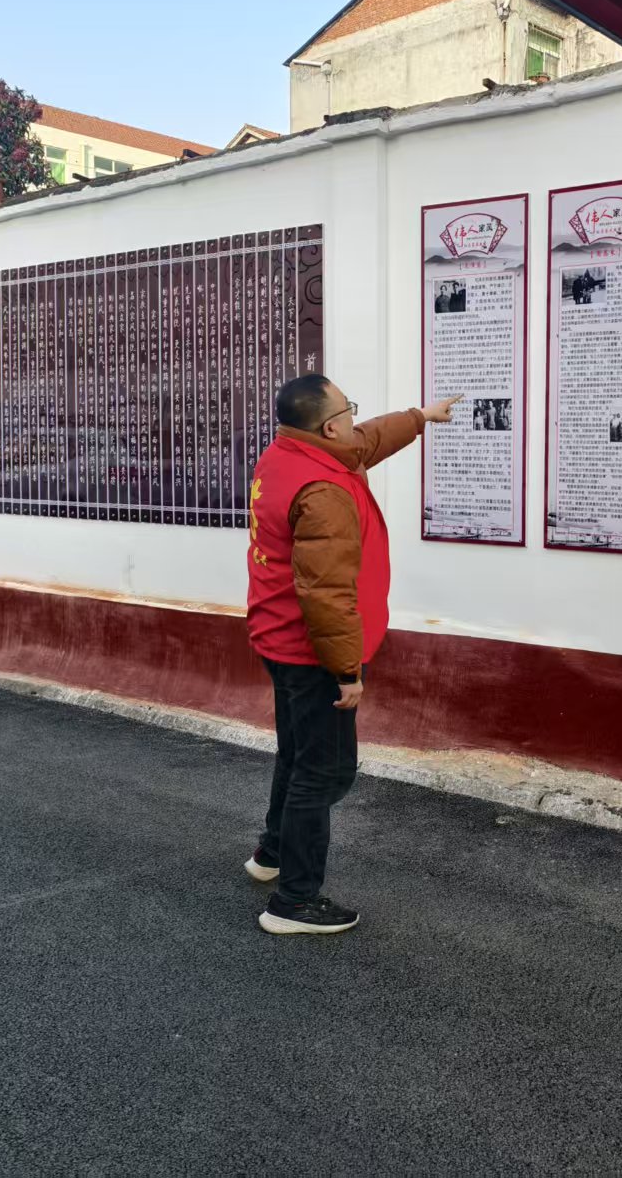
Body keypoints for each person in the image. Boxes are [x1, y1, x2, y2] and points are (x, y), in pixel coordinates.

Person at [244, 375, 462, 935]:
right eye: (348, 411)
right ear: (328, 426)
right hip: (314, 652)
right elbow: (327, 595)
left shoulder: (286, 454)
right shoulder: (324, 492)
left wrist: (420, 418)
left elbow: (363, 441)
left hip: (279, 638)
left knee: (297, 754)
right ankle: (294, 903)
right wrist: (345, 672)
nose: (354, 419)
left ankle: (272, 854)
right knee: (325, 772)